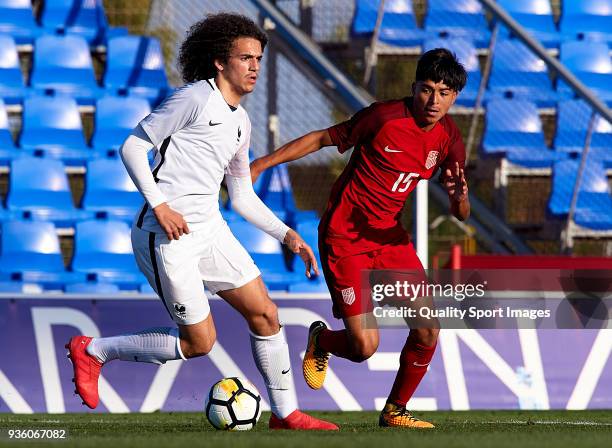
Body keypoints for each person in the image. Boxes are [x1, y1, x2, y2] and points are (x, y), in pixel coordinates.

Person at [65, 13, 337, 431]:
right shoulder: (194, 98)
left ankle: (286, 415)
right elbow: (133, 147)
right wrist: (159, 205)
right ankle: (94, 350)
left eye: (259, 59)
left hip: (209, 229)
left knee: (266, 314)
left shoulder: (241, 123)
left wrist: (287, 236)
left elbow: (241, 195)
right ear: (219, 62)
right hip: (166, 236)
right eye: (245, 57)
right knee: (199, 343)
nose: (254, 67)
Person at [250, 48, 469, 428]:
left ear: (455, 96)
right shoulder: (383, 117)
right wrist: (261, 164)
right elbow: (322, 138)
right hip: (344, 238)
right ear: (414, 86)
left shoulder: (449, 136)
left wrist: (458, 195)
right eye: (427, 89)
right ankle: (322, 341)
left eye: (445, 92)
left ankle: (395, 410)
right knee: (364, 347)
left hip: (389, 239)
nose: (434, 101)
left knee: (429, 327)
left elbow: (460, 212)